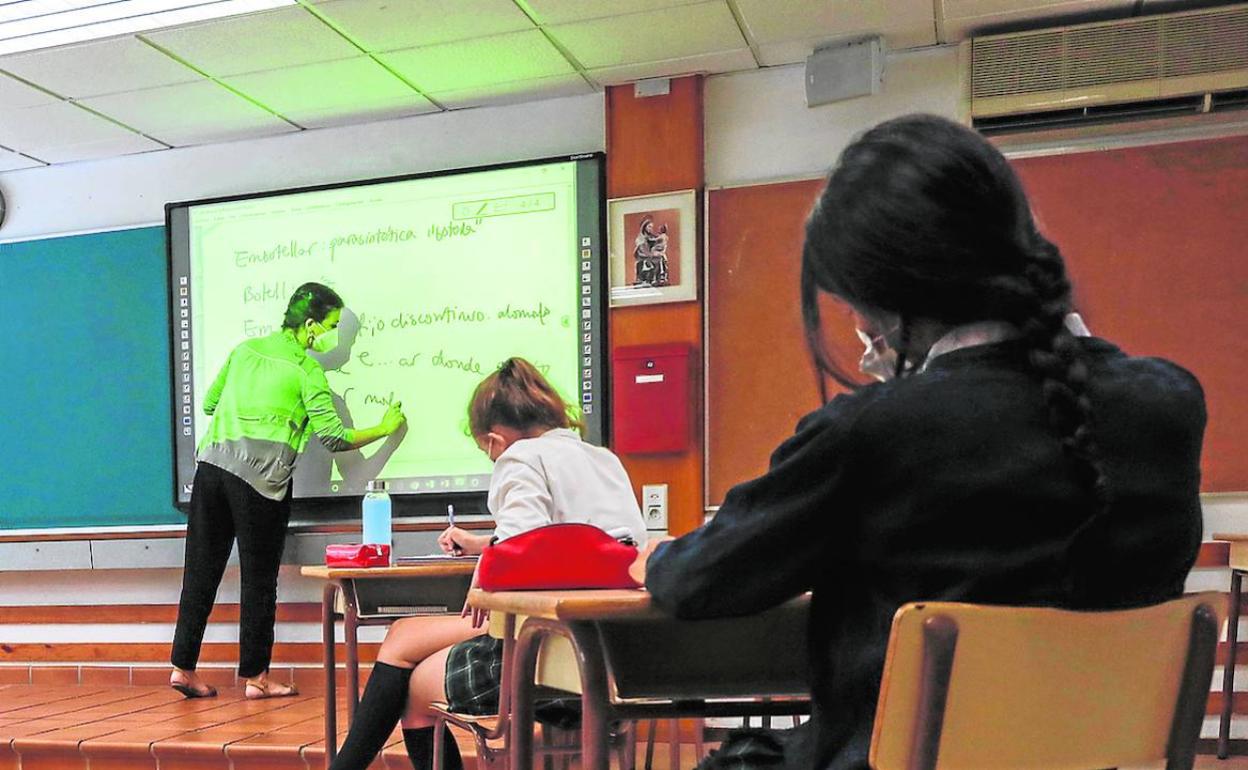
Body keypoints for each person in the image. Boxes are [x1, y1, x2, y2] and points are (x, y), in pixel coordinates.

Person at [632, 114, 1206, 770]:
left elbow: (703, 583)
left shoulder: (873, 430)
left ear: (884, 304)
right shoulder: (1170, 403)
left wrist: (652, 558)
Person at [328, 356, 645, 770]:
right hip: (619, 653)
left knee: (409, 671)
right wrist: (484, 545)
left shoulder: (520, 458)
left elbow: (525, 543)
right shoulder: (603, 459)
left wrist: (491, 563)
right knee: (403, 640)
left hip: (545, 651)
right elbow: (573, 539)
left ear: (494, 441)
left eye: (486, 452)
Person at [170, 283, 406, 700]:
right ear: (311, 326)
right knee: (259, 580)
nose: (338, 339)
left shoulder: (245, 350)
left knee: (200, 573)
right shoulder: (306, 371)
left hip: (211, 469)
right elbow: (334, 438)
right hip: (259, 482)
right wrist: (384, 430)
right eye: (334, 327)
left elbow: (209, 404)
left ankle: (183, 668)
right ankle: (256, 678)